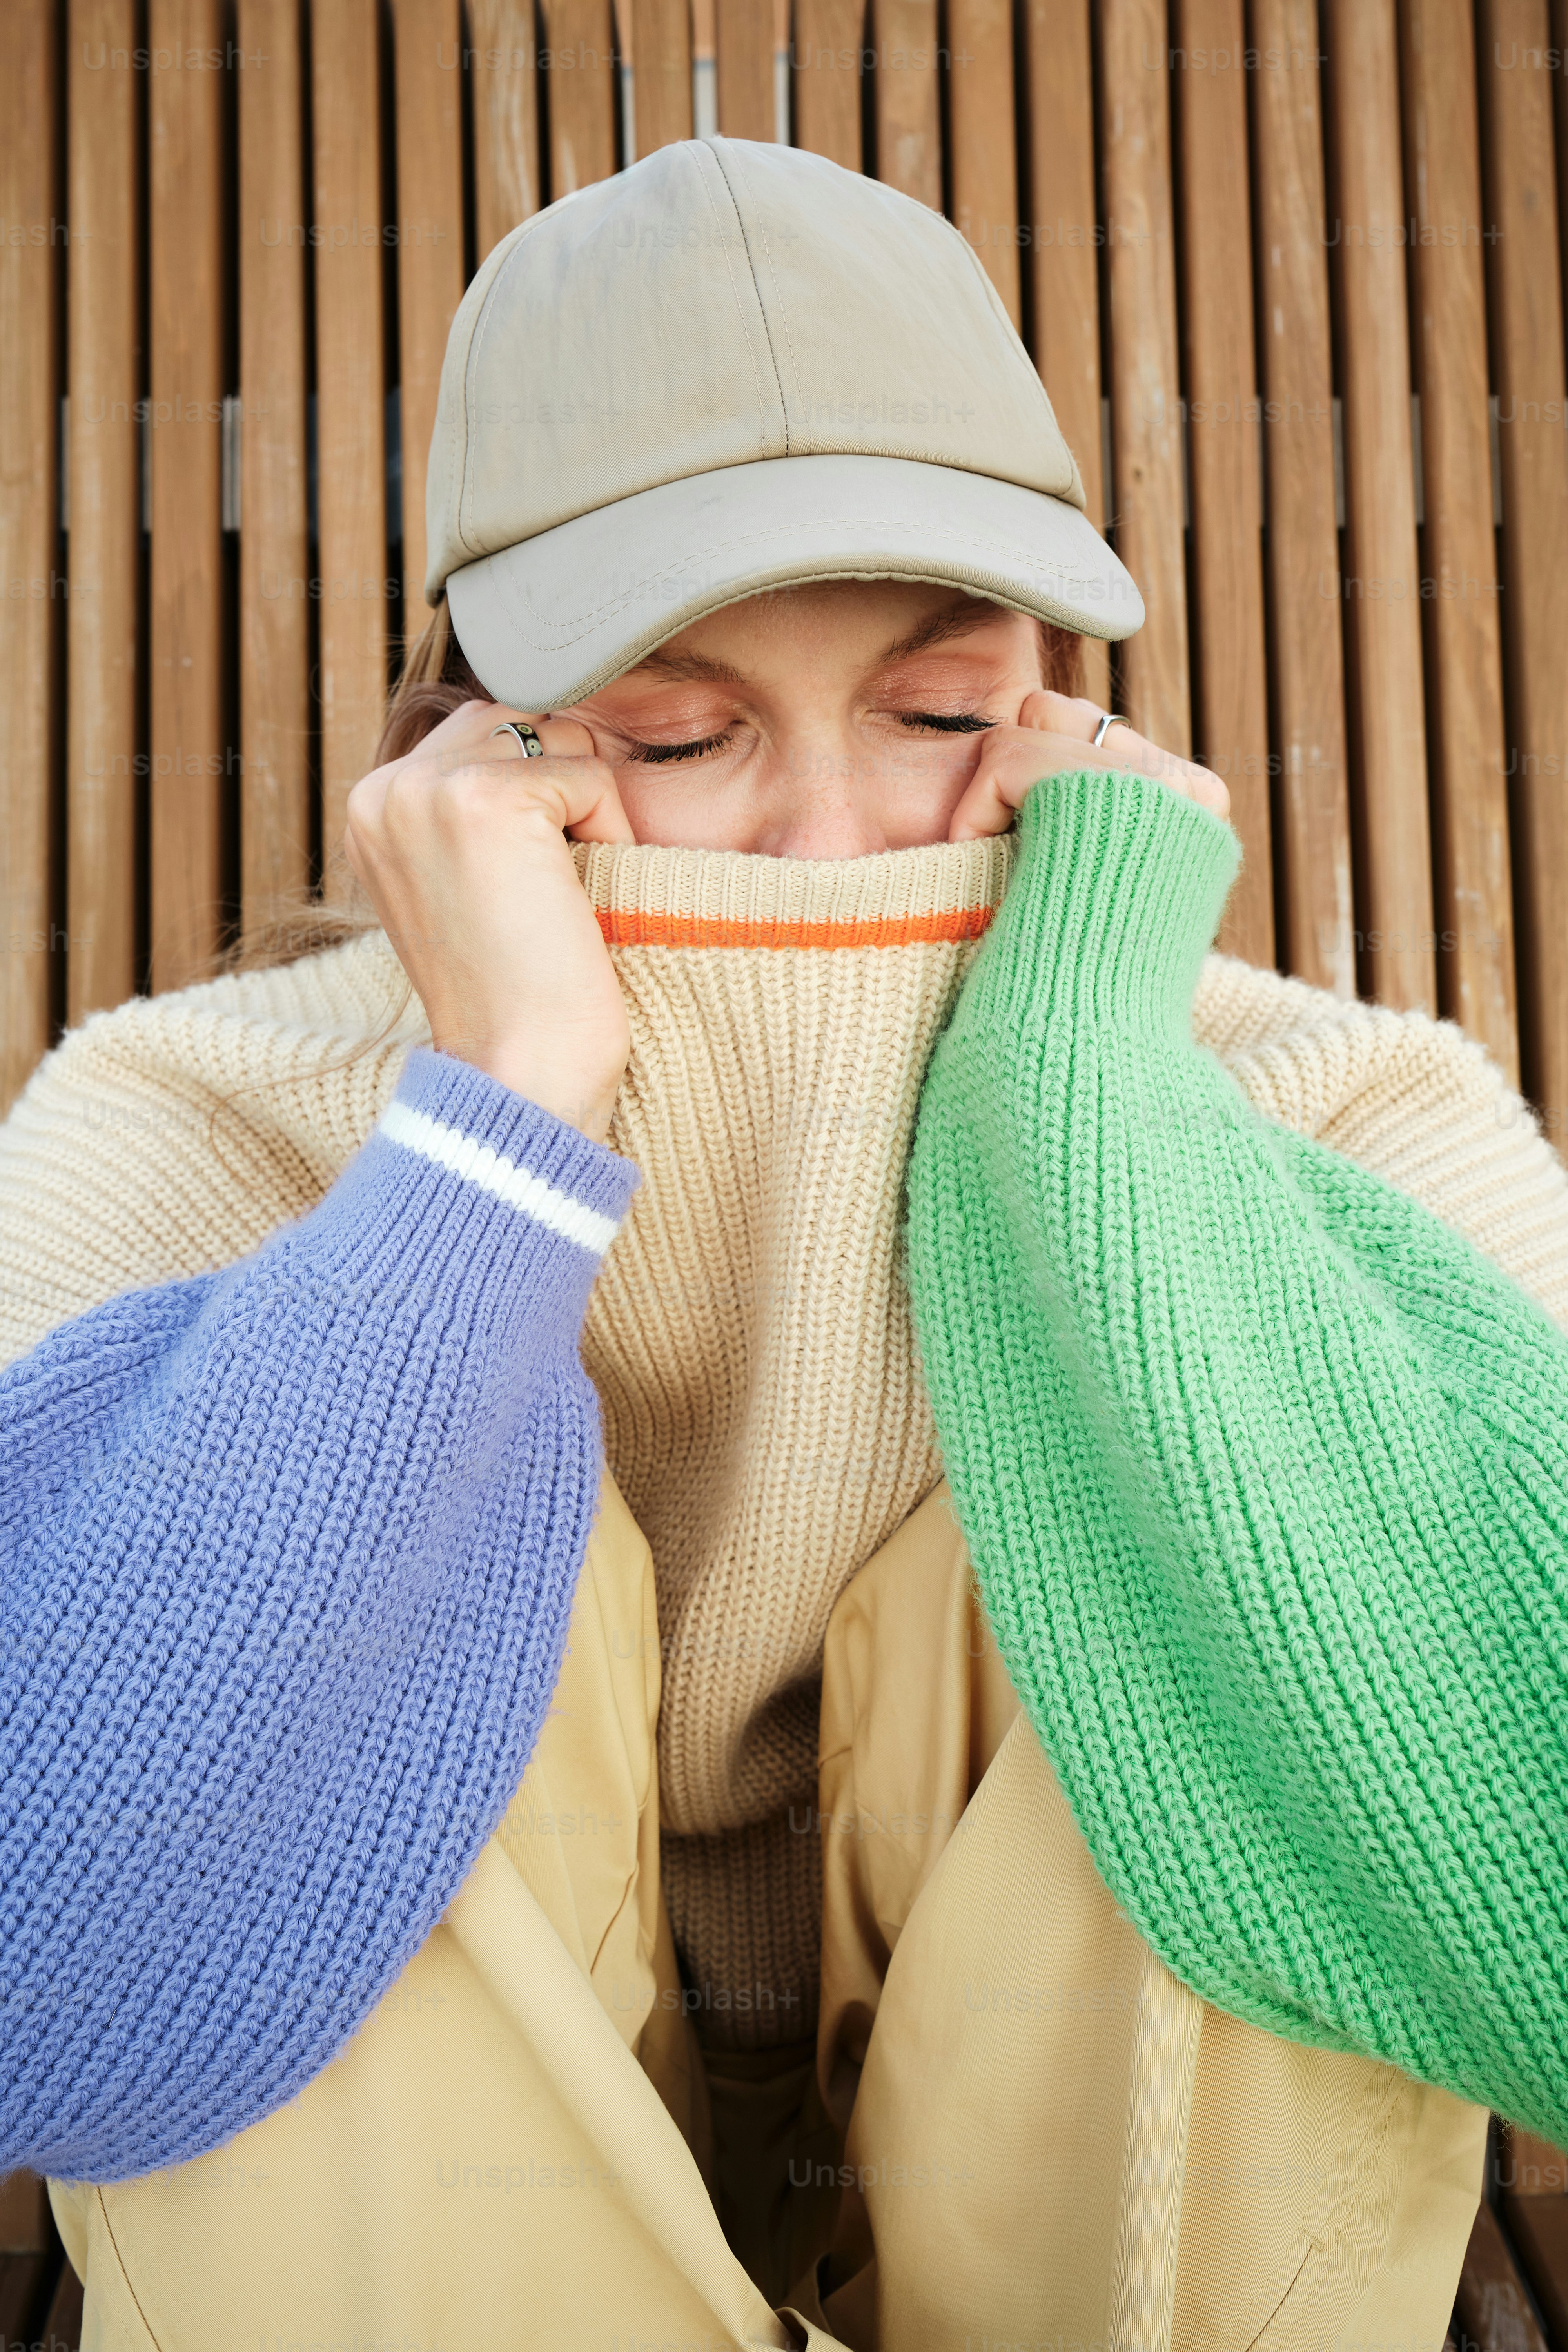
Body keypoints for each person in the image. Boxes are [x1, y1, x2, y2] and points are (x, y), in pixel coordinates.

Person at [4, 134, 1568, 2352]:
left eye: (936, 716)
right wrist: (496, 1136)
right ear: (478, 745)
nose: (834, 841)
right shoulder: (194, 1111)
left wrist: (1095, 1109)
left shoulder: (1341, 1102)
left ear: (1060, 708)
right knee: (312, 1523)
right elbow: (45, 1958)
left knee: (1234, 1496)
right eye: (678, 733)